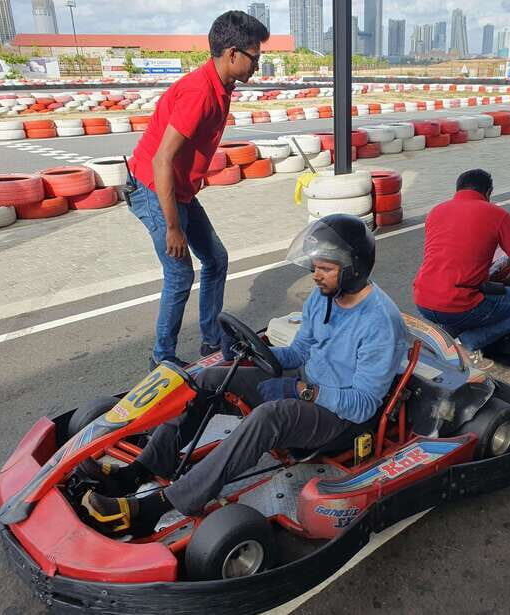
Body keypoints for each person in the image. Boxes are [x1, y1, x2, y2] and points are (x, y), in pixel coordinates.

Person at [79, 215, 409, 535]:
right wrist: (248, 352)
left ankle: (161, 504)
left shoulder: (380, 323)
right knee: (207, 381)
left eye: (325, 269)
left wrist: (302, 391)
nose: (315, 276)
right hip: (306, 384)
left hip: (341, 416)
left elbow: (364, 405)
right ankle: (143, 468)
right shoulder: (323, 297)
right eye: (315, 267)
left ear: (352, 271)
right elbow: (298, 352)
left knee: (271, 416)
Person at [127, 11, 269, 370]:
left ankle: (210, 338)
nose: (259, 64)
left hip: (181, 191)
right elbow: (162, 160)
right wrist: (174, 227)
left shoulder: (222, 87)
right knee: (179, 274)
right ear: (233, 53)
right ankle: (161, 358)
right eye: (256, 56)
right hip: (153, 187)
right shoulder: (200, 93)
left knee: (216, 259)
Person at [412, 169, 510, 360]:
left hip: (422, 300)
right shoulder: (498, 215)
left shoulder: (435, 211)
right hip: (460, 303)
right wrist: (505, 284)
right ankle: (468, 343)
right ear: (488, 192)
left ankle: (445, 337)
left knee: (461, 301)